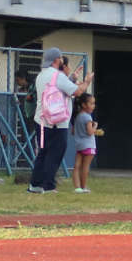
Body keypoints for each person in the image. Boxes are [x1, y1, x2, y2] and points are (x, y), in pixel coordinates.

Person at [29, 47, 93, 194]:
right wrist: (87, 81)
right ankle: (49, 185)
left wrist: (71, 79)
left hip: (42, 120)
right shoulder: (57, 76)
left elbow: (59, 89)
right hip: (58, 122)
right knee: (56, 152)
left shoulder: (41, 76)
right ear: (57, 60)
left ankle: (35, 185)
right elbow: (77, 92)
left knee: (43, 152)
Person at [71, 93, 103, 194]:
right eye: (92, 103)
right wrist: (95, 127)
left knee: (77, 166)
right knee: (85, 167)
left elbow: (73, 131)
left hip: (79, 145)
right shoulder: (88, 117)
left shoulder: (77, 117)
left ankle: (77, 187)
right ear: (84, 105)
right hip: (89, 146)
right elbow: (90, 132)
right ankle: (84, 186)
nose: (94, 106)